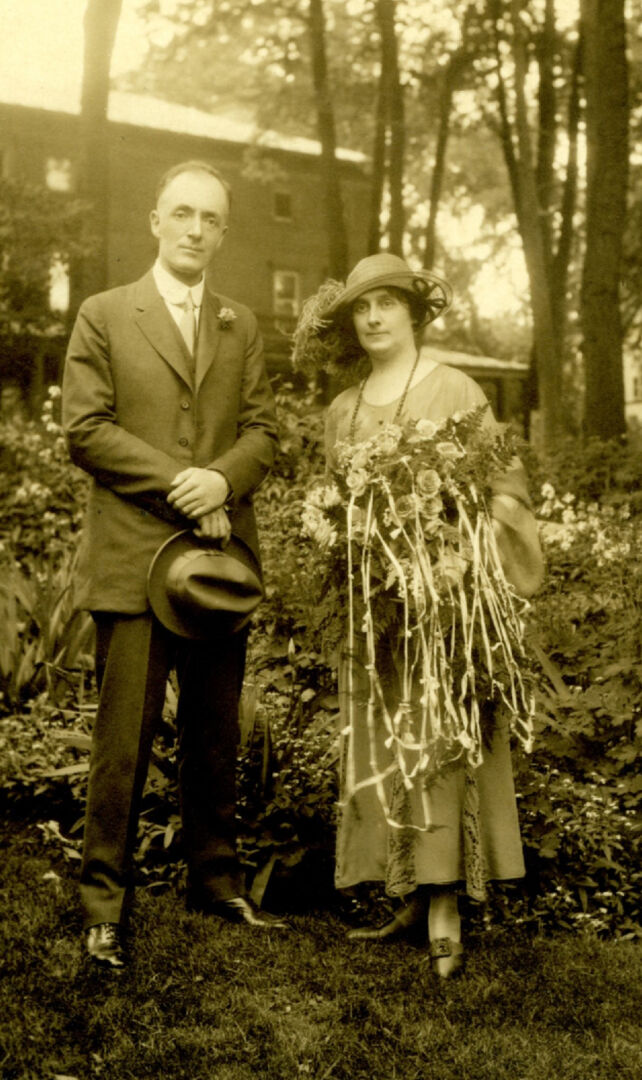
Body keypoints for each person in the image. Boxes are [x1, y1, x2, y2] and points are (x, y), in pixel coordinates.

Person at [62, 160, 284, 971]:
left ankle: (214, 880)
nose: (195, 229)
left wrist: (224, 478)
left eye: (211, 218)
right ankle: (102, 905)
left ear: (224, 232)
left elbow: (263, 430)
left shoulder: (241, 322)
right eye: (182, 213)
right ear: (156, 220)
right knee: (123, 739)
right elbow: (84, 429)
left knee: (215, 731)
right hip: (133, 559)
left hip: (220, 563)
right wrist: (188, 488)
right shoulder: (104, 313)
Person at [299, 253, 542, 978]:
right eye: (361, 310)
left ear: (413, 312)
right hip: (378, 612)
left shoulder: (456, 388)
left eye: (386, 305)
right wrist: (343, 529)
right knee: (383, 743)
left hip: (442, 609)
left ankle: (444, 905)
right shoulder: (343, 409)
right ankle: (404, 892)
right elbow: (335, 499)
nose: (373, 319)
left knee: (436, 743)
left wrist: (456, 539)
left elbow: (504, 485)